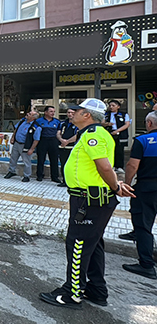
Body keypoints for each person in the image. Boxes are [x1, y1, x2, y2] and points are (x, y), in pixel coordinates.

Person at [39, 98, 135, 309]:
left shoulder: (94, 135)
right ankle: (97, 290)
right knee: (93, 244)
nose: (71, 113)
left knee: (78, 244)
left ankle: (72, 294)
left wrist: (116, 187)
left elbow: (104, 167)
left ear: (87, 115)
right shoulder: (90, 134)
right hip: (88, 198)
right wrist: (114, 185)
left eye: (77, 110)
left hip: (90, 200)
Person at [121, 111, 157, 279]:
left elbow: (132, 165)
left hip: (147, 188)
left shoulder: (142, 140)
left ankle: (146, 264)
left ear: (149, 124)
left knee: (143, 225)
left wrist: (127, 184)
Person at [5, 111, 41, 183]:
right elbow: (16, 129)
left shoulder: (36, 127)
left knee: (26, 161)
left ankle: (26, 176)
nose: (27, 114)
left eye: (30, 114)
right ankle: (11, 171)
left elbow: (36, 140)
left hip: (25, 146)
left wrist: (31, 149)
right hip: (16, 143)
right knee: (13, 158)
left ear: (33, 118)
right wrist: (13, 138)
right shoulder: (22, 121)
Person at [104, 100, 131, 173]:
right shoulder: (106, 114)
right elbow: (101, 123)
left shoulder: (123, 114)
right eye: (110, 106)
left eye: (113, 105)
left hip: (119, 134)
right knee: (110, 150)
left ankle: (119, 167)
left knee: (119, 150)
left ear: (118, 106)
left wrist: (117, 131)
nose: (111, 107)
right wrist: (107, 124)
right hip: (109, 133)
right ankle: (111, 166)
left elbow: (127, 124)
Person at [35, 106, 61, 183]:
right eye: (51, 111)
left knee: (54, 160)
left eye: (53, 111)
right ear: (45, 112)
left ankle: (55, 177)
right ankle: (39, 175)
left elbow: (59, 132)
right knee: (40, 159)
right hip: (42, 141)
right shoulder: (39, 121)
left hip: (53, 141)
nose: (53, 113)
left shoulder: (57, 121)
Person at [56, 108, 79, 187]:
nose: (70, 114)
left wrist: (67, 141)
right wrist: (61, 140)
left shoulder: (78, 123)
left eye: (72, 113)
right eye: (68, 112)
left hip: (72, 147)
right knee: (63, 164)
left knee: (72, 165)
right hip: (62, 147)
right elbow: (58, 133)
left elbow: (77, 135)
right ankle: (64, 181)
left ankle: (72, 182)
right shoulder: (63, 123)